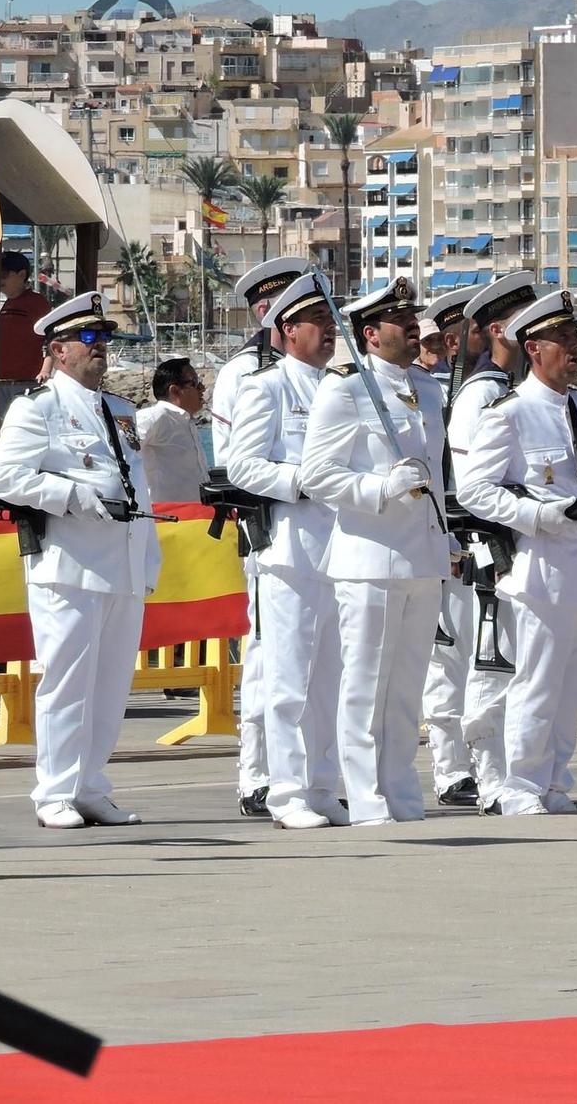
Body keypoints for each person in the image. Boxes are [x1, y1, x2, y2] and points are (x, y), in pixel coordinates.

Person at [0, 291, 162, 828]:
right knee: (67, 681)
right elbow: (2, 477)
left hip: (123, 565)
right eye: (88, 339)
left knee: (110, 686)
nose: (100, 348)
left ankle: (90, 786)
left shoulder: (120, 411)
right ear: (58, 350)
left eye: (105, 338)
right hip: (68, 566)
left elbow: (140, 493)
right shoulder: (37, 408)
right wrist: (76, 496)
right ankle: (54, 791)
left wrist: (147, 562)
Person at [458, 290, 577, 814]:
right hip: (542, 571)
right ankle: (519, 787)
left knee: (570, 689)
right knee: (537, 684)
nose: (575, 347)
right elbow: (474, 489)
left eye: (575, 338)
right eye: (563, 339)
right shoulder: (509, 412)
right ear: (533, 348)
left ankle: (554, 781)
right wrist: (536, 515)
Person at [299, 277, 450, 824]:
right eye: (399, 320)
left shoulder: (429, 390)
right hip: (370, 555)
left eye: (412, 317)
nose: (413, 327)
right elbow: (317, 475)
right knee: (365, 683)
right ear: (370, 334)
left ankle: (401, 790)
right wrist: (378, 488)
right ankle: (364, 796)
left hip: (423, 554)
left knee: (408, 686)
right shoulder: (345, 390)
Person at [225, 273, 346, 829]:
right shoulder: (266, 388)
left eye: (329, 320)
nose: (327, 331)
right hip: (290, 549)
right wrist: (305, 480)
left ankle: (324, 786)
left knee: (331, 680)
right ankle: (287, 791)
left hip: (343, 550)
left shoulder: (342, 387)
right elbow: (243, 466)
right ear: (286, 331)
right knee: (289, 679)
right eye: (316, 322)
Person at [209, 254, 310, 819]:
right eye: (273, 308)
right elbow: (232, 465)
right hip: (266, 529)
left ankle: (305, 771)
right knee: (268, 655)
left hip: (320, 533)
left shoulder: (328, 371)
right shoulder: (243, 374)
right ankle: (256, 773)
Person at [439, 273, 539, 810]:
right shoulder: (483, 394)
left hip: (525, 546)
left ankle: (518, 773)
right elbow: (480, 485)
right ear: (501, 330)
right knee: (493, 665)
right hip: (496, 546)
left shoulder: (517, 392)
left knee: (523, 665)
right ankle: (490, 775)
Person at [409, 284, 478, 807]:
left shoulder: (489, 394)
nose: (441, 354)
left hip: (487, 537)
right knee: (447, 658)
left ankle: (483, 756)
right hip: (446, 536)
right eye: (436, 345)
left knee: (488, 658)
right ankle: (452, 766)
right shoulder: (424, 397)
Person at [135, 358, 208, 504]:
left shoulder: (186, 422)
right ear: (174, 390)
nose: (202, 388)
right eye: (194, 382)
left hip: (194, 515)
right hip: (166, 519)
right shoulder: (153, 417)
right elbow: (122, 455)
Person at [0, 250, 53, 401]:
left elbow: (52, 339)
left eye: (4, 274)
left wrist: (46, 370)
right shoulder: (5, 304)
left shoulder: (37, 302)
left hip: (26, 382)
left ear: (21, 275)